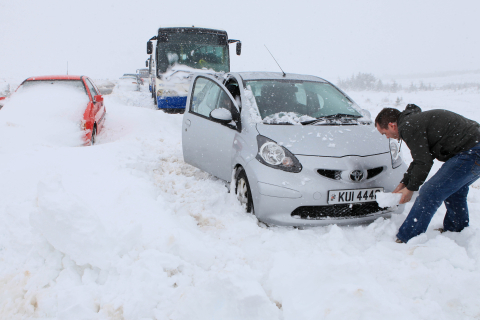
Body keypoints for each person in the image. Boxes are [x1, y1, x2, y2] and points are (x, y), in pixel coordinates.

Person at [375, 104, 480, 243]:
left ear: (391, 125)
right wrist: (404, 182)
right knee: (455, 190)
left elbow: (423, 162)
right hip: (474, 148)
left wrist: (411, 188)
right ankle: (456, 229)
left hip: (472, 152)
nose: (387, 137)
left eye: (384, 133)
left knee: (430, 192)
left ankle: (408, 236)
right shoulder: (413, 121)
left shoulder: (408, 126)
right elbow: (421, 159)